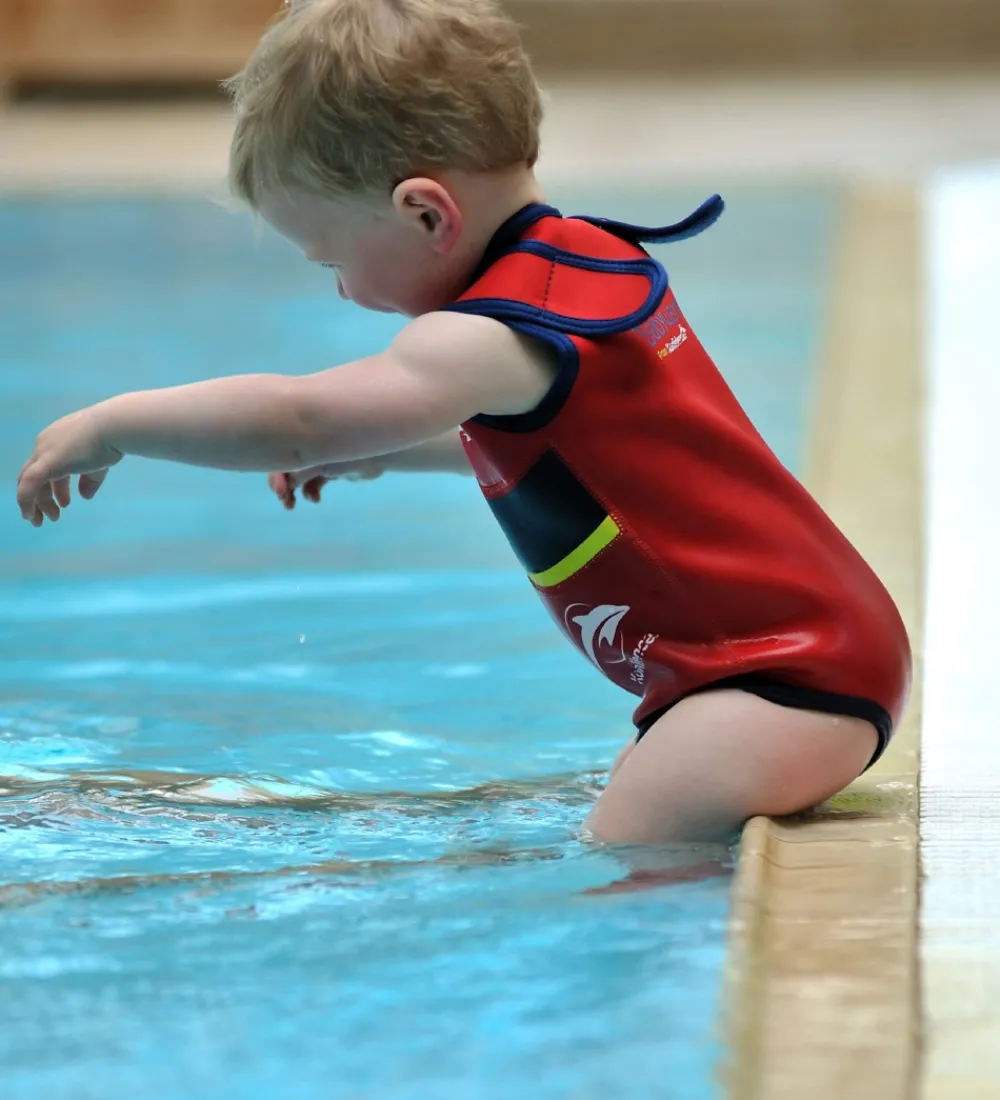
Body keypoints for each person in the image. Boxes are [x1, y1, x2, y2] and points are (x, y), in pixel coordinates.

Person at [15, 0, 910, 857]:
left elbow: (297, 419)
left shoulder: (487, 336)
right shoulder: (582, 262)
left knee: (619, 857)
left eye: (333, 258)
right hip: (800, 668)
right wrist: (384, 456)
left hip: (780, 686)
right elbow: (564, 453)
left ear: (425, 213)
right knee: (623, 819)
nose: (340, 289)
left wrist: (114, 423)